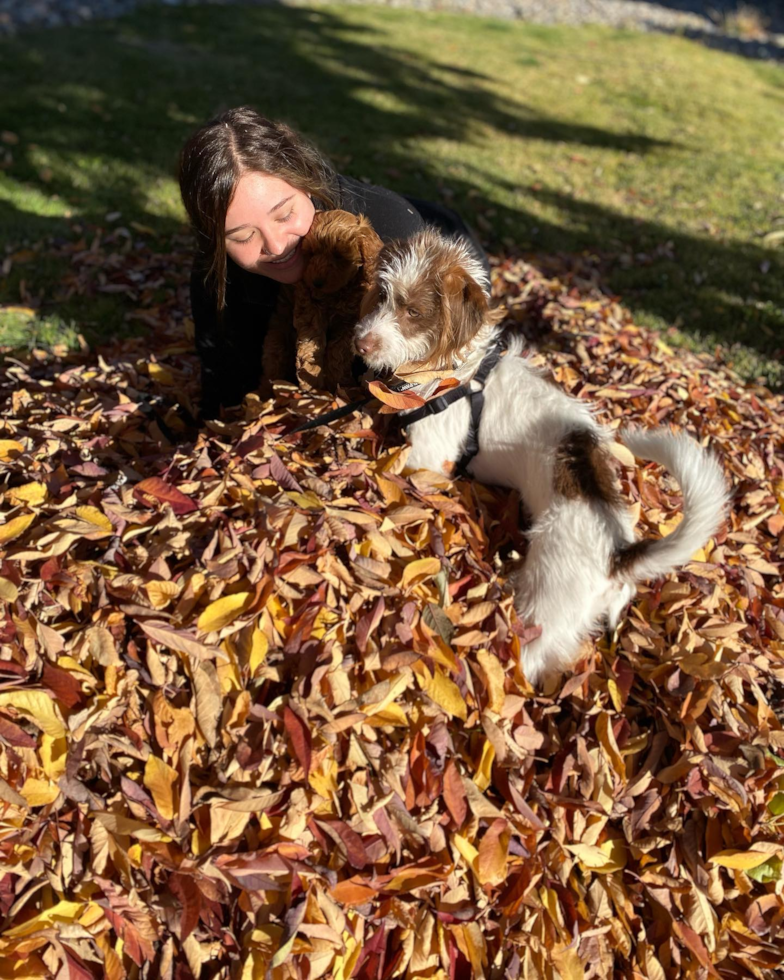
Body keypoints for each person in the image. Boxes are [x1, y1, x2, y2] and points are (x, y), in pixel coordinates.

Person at [178, 106, 490, 419]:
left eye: (285, 214)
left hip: (442, 234)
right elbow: (224, 388)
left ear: (305, 182)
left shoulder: (392, 237)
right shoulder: (215, 270)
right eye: (244, 236)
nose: (276, 245)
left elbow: (425, 388)